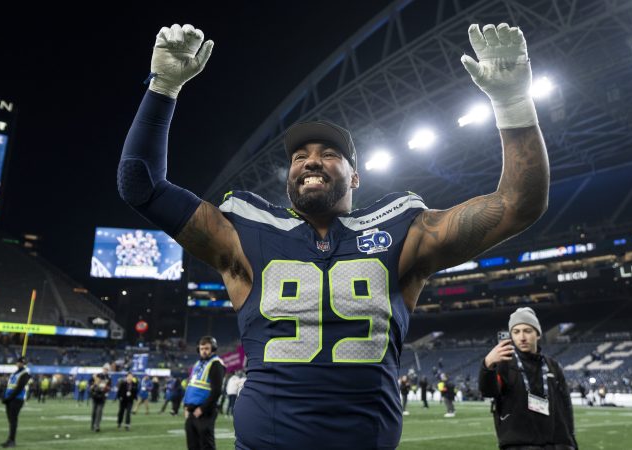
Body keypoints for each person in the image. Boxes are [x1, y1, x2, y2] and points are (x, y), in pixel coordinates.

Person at [118, 21, 549, 449]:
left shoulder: (403, 228)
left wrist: (512, 102)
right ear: (288, 175)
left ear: (355, 178)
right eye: (300, 156)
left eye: (329, 154)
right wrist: (163, 89)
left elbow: (518, 204)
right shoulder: (245, 231)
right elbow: (141, 185)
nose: (311, 161)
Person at [479, 307, 577, 449]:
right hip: (518, 444)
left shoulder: (553, 366)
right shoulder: (503, 364)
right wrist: (487, 365)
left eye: (527, 331)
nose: (522, 337)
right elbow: (488, 391)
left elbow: (566, 406)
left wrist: (571, 442)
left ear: (537, 334)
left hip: (556, 445)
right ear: (511, 335)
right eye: (516, 332)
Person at [183, 336, 226, 450]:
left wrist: (202, 409)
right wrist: (186, 407)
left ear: (213, 348)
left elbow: (217, 391)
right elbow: (191, 386)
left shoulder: (216, 364)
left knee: (206, 446)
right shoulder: (198, 364)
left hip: (204, 412)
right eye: (202, 348)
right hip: (192, 411)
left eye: (207, 348)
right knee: (192, 446)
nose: (204, 351)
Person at [0, 356, 30, 448]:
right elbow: (9, 386)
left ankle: (12, 441)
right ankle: (9, 439)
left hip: (16, 399)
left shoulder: (25, 374)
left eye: (22, 363)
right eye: (20, 362)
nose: (20, 364)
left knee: (13, 420)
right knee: (11, 421)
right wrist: (4, 396)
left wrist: (8, 398)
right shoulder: (15, 373)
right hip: (10, 399)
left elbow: (19, 388)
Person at [90, 364, 112, 432]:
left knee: (99, 411)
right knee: (94, 412)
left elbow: (109, 387)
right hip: (95, 396)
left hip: (102, 396)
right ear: (103, 369)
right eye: (105, 369)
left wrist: (106, 389)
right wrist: (94, 385)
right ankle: (93, 424)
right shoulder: (97, 375)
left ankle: (97, 426)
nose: (105, 370)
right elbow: (91, 384)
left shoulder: (108, 377)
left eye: (107, 369)